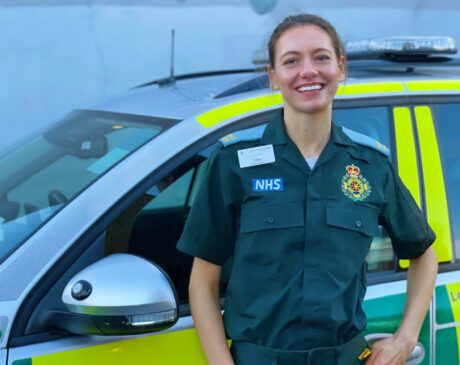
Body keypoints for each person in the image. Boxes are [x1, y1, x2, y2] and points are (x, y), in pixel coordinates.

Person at [177, 13, 438, 365]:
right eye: (291, 61)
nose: (308, 71)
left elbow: (423, 254)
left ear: (340, 68)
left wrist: (405, 339)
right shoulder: (233, 162)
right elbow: (202, 282)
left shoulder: (371, 165)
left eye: (321, 57)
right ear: (273, 76)